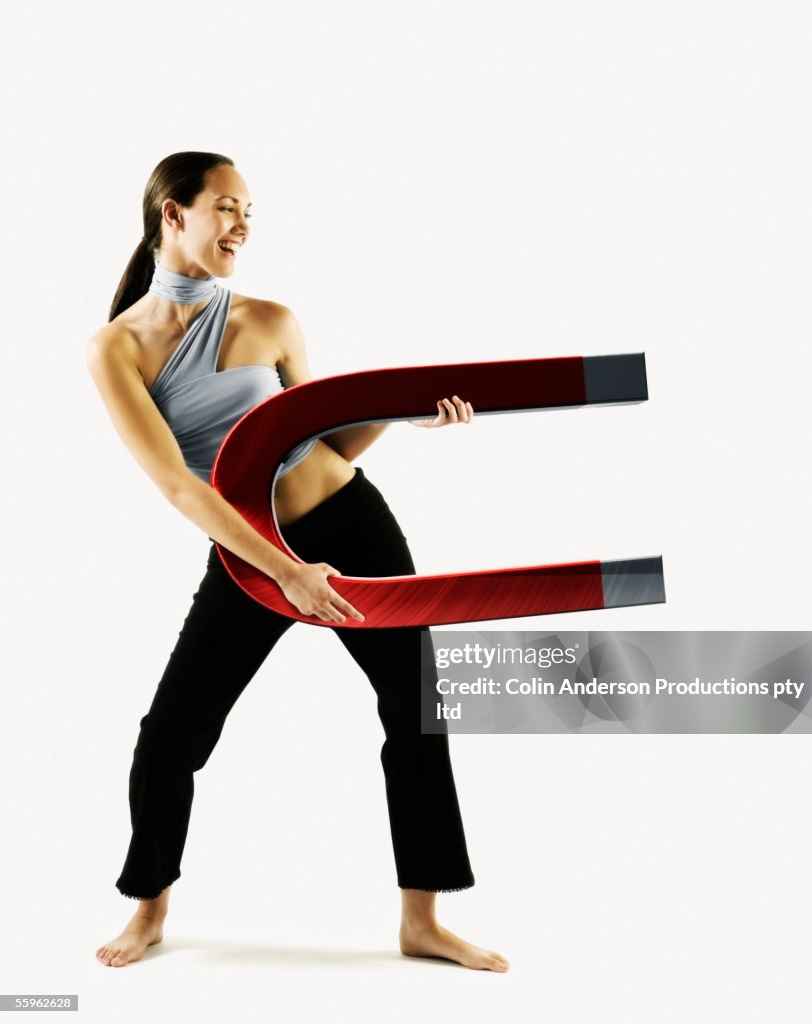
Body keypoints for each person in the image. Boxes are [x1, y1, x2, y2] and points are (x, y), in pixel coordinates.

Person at [88, 152, 509, 972]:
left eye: (251, 210)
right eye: (225, 207)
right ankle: (148, 909)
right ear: (172, 215)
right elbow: (179, 485)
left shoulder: (273, 320)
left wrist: (400, 414)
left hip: (351, 523)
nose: (243, 224)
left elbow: (318, 442)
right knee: (170, 734)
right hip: (252, 553)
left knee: (415, 705)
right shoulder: (117, 348)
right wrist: (283, 570)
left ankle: (421, 920)